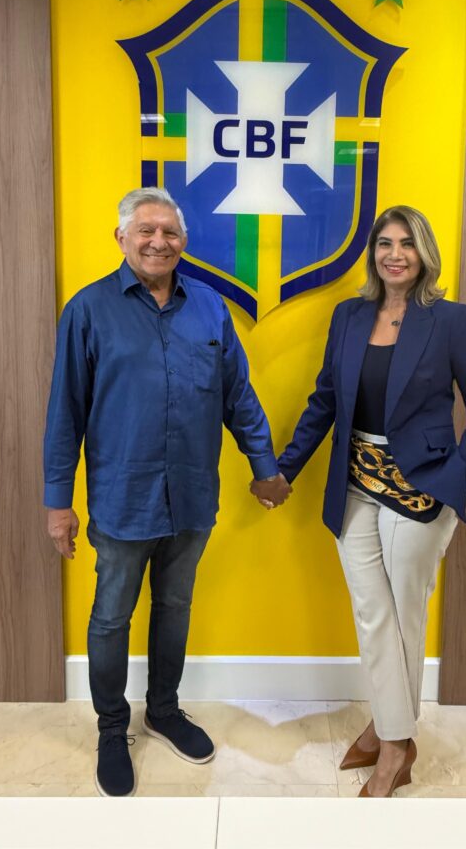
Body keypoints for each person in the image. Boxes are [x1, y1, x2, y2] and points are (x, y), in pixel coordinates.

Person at [44, 187, 291, 797]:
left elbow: (239, 396)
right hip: (121, 498)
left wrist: (264, 465)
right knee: (111, 617)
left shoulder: (210, 309)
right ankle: (111, 728)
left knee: (174, 606)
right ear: (122, 238)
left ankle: (163, 709)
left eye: (170, 232)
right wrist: (58, 502)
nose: (159, 242)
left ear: (184, 240)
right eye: (146, 230)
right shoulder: (87, 311)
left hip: (191, 494)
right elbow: (65, 413)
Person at [269, 205, 466, 797]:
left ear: (424, 253)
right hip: (356, 484)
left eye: (407, 243)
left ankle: (395, 745)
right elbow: (326, 400)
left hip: (421, 488)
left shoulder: (450, 320)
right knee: (372, 613)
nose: (394, 254)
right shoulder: (349, 316)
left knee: (404, 614)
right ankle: (390, 726)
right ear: (372, 253)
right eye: (384, 243)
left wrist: (459, 475)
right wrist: (285, 468)